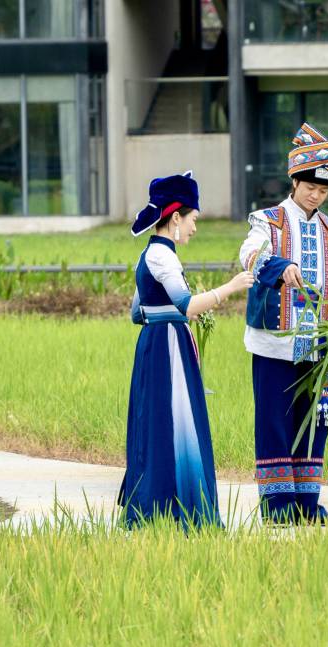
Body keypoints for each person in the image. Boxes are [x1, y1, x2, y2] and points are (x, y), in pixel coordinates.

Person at [237, 123, 328, 524]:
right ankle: (277, 507)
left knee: (314, 422)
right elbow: (249, 257)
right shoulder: (268, 221)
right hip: (275, 343)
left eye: (323, 191)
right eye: (310, 187)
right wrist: (281, 266)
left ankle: (307, 505)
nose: (316, 195)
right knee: (275, 421)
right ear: (295, 180)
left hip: (316, 347)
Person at [119, 171, 254, 530]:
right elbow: (186, 306)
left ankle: (154, 509)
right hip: (168, 350)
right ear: (175, 217)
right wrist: (232, 287)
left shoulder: (148, 254)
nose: (195, 227)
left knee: (156, 423)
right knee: (176, 423)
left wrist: (161, 316)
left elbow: (136, 313)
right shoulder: (164, 257)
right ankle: (182, 511)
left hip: (154, 346)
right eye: (193, 218)